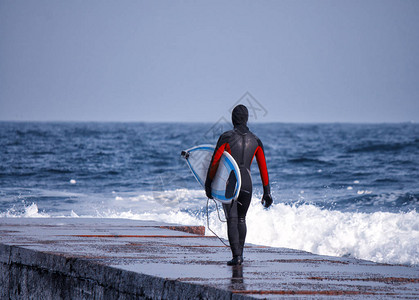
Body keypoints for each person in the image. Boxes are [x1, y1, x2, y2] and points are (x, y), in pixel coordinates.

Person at [205, 104, 273, 266]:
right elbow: (263, 167)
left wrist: (209, 184)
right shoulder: (256, 140)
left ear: (233, 119)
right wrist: (267, 191)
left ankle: (236, 256)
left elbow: (215, 162)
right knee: (241, 219)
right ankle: (240, 255)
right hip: (247, 184)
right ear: (247, 119)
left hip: (232, 183)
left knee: (232, 219)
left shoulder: (226, 137)